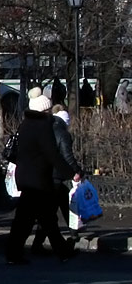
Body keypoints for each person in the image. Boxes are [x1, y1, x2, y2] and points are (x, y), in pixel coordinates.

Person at [5, 92, 82, 264]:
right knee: (35, 220)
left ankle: (60, 252)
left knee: (40, 218)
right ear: (44, 110)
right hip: (38, 180)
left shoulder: (25, 124)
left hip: (25, 178)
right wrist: (71, 173)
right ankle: (15, 253)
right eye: (48, 109)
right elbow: (52, 154)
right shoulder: (42, 126)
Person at [31, 105, 84, 252]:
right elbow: (67, 156)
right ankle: (43, 245)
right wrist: (77, 171)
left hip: (44, 175)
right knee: (51, 213)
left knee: (61, 204)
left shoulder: (45, 130)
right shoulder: (63, 134)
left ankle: (73, 234)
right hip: (55, 177)